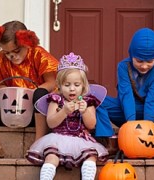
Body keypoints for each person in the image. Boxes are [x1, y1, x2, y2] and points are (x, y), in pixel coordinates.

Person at [95, 27, 154, 158]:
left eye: (150, 61)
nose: (144, 66)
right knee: (97, 98)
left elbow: (153, 99)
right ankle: (110, 141)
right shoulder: (123, 67)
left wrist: (148, 127)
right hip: (124, 112)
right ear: (131, 54)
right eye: (139, 61)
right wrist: (131, 125)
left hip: (152, 113)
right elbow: (126, 95)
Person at [0, 17, 58, 158]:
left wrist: (31, 94)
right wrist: (6, 91)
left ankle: (38, 144)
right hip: (10, 112)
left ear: (27, 43)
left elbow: (52, 83)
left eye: (16, 51)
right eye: (7, 53)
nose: (12, 56)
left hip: (35, 113)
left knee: (40, 93)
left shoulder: (38, 54)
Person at [26, 52, 109, 180]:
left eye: (76, 85)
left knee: (90, 156)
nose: (72, 89)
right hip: (58, 138)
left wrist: (85, 111)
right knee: (51, 157)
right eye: (67, 85)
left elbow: (91, 125)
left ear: (83, 87)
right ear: (59, 86)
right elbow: (51, 122)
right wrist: (63, 111)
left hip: (81, 140)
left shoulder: (87, 102)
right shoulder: (56, 100)